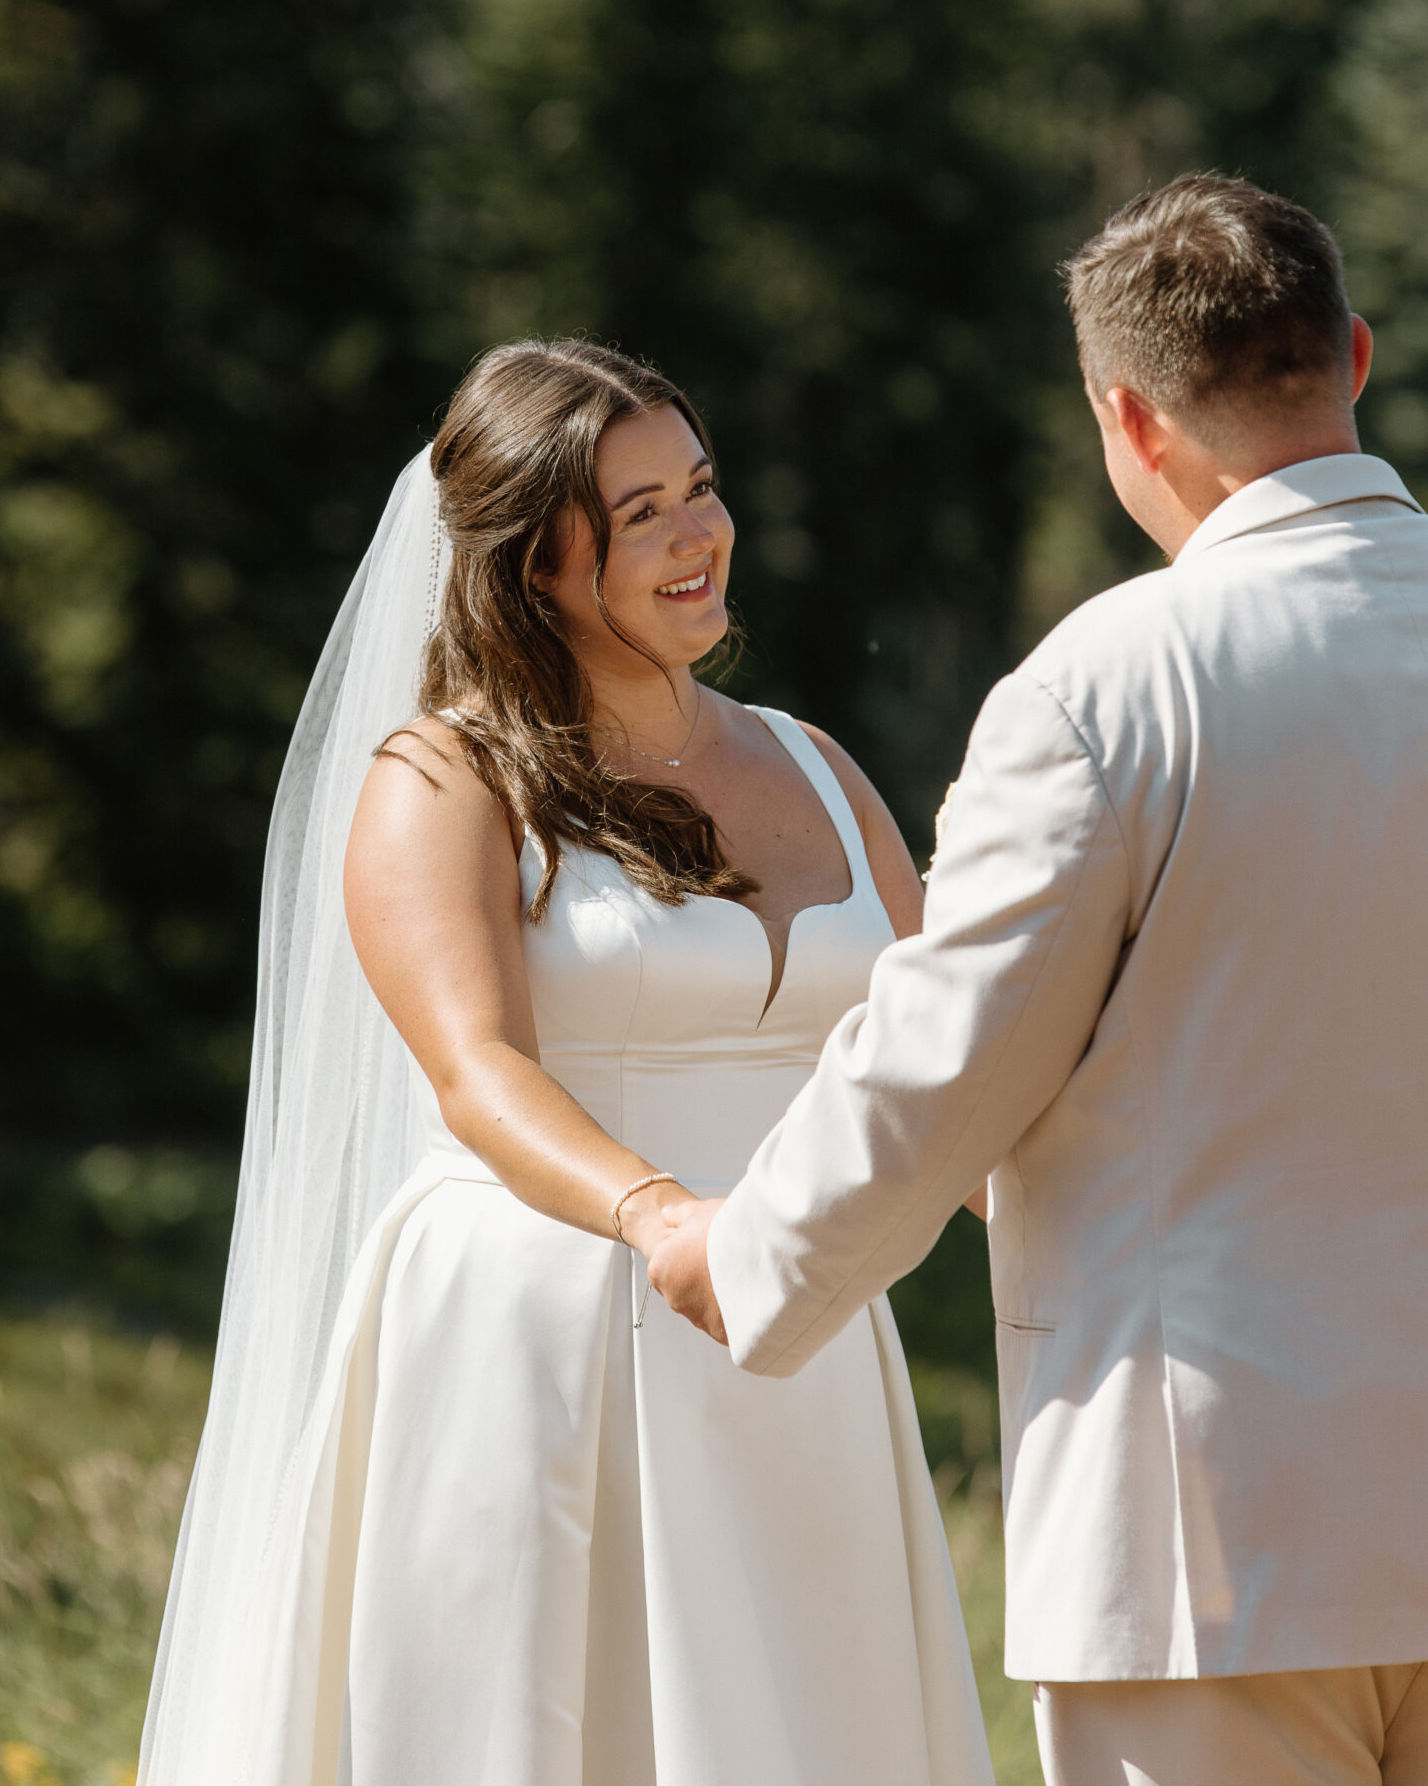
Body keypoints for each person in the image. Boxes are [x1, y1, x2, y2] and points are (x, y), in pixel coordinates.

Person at [652, 172, 1428, 1786]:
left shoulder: (1109, 685)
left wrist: (743, 1255)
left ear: (1128, 418)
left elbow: (950, 1055)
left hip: (1211, 1531)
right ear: (1354, 357)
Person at [141, 338, 993, 1786]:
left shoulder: (818, 766)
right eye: (640, 510)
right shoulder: (443, 779)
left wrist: (1105, 1213)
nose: (698, 533)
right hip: (546, 1322)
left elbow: (947, 1055)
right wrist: (662, 1216)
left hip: (798, 1336)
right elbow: (476, 1072)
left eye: (700, 488)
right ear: (535, 561)